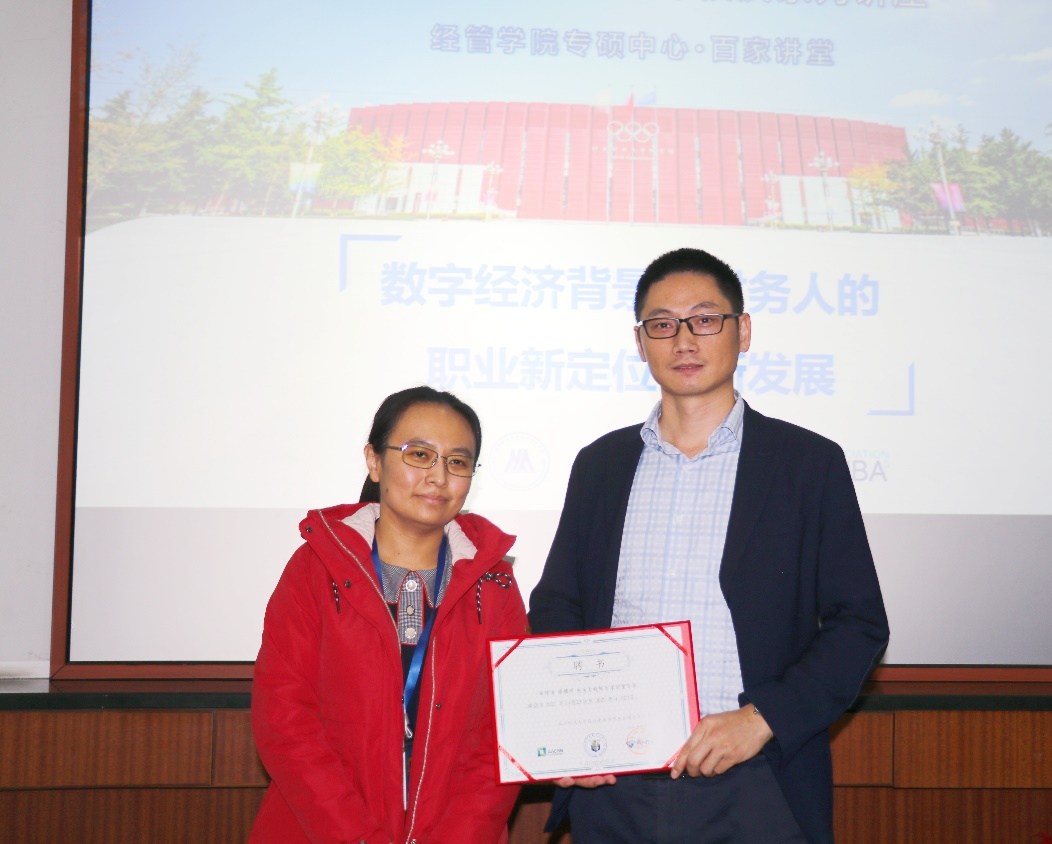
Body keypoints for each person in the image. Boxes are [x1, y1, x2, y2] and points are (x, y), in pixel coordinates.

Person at [528, 248, 889, 844]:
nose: (684, 340)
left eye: (704, 319)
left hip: (757, 783)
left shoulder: (807, 464)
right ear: (640, 343)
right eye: (662, 324)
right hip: (617, 786)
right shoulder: (601, 465)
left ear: (742, 332)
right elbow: (558, 604)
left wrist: (763, 718)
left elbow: (858, 624)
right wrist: (571, 728)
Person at [251, 386, 528, 844]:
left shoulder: (495, 585)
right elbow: (285, 721)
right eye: (419, 455)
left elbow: (504, 735)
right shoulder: (315, 568)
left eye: (458, 462)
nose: (438, 476)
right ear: (374, 461)